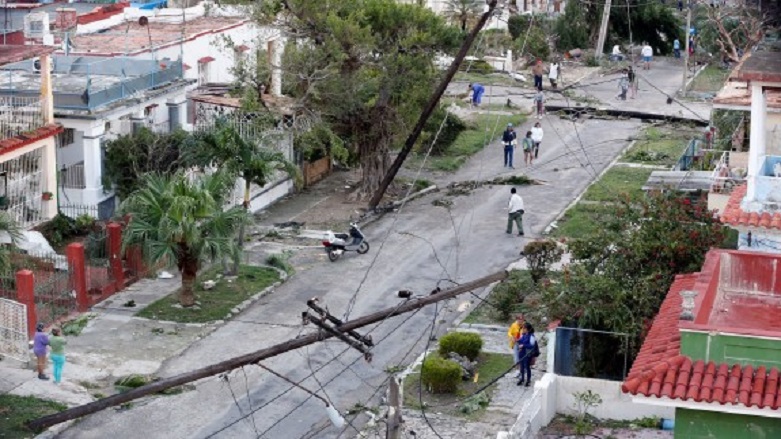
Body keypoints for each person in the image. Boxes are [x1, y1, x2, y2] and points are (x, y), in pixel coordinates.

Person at [516, 322, 537, 387]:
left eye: (524, 328)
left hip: (527, 354)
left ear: (527, 329)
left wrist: (523, 345)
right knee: (521, 366)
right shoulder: (523, 334)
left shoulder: (532, 336)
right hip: (521, 353)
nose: (523, 329)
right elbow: (521, 341)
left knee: (527, 367)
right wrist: (517, 340)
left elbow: (532, 346)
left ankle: (528, 380)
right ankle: (522, 379)